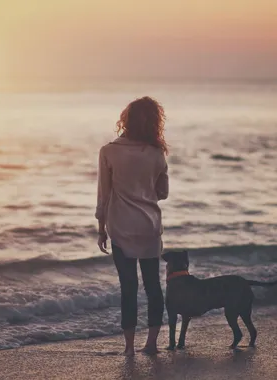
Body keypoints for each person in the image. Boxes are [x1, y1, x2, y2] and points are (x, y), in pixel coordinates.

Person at [95, 96, 169, 356]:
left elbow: (104, 194)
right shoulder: (157, 152)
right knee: (152, 287)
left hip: (121, 228)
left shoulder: (109, 150)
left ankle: (128, 347)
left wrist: (101, 228)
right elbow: (163, 193)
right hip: (149, 228)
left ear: (125, 119)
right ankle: (151, 344)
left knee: (128, 287)